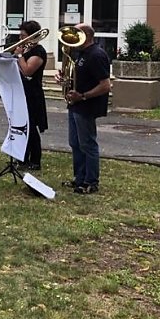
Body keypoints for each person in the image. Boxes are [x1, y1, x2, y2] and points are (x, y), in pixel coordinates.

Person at [56, 23, 112, 194]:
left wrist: (83, 96)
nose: (72, 38)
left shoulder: (97, 55)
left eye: (76, 34)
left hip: (87, 105)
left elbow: (105, 85)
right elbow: (74, 74)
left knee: (87, 143)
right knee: (75, 143)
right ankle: (79, 178)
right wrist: (62, 77)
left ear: (86, 35)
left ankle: (91, 182)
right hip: (75, 104)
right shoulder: (79, 53)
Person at [13, 20, 48, 170]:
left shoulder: (38, 52)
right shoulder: (26, 50)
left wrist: (19, 55)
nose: (20, 38)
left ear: (32, 36)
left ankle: (35, 160)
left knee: (31, 127)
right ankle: (22, 157)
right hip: (21, 90)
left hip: (32, 93)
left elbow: (28, 70)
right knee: (21, 126)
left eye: (23, 35)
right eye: (20, 35)